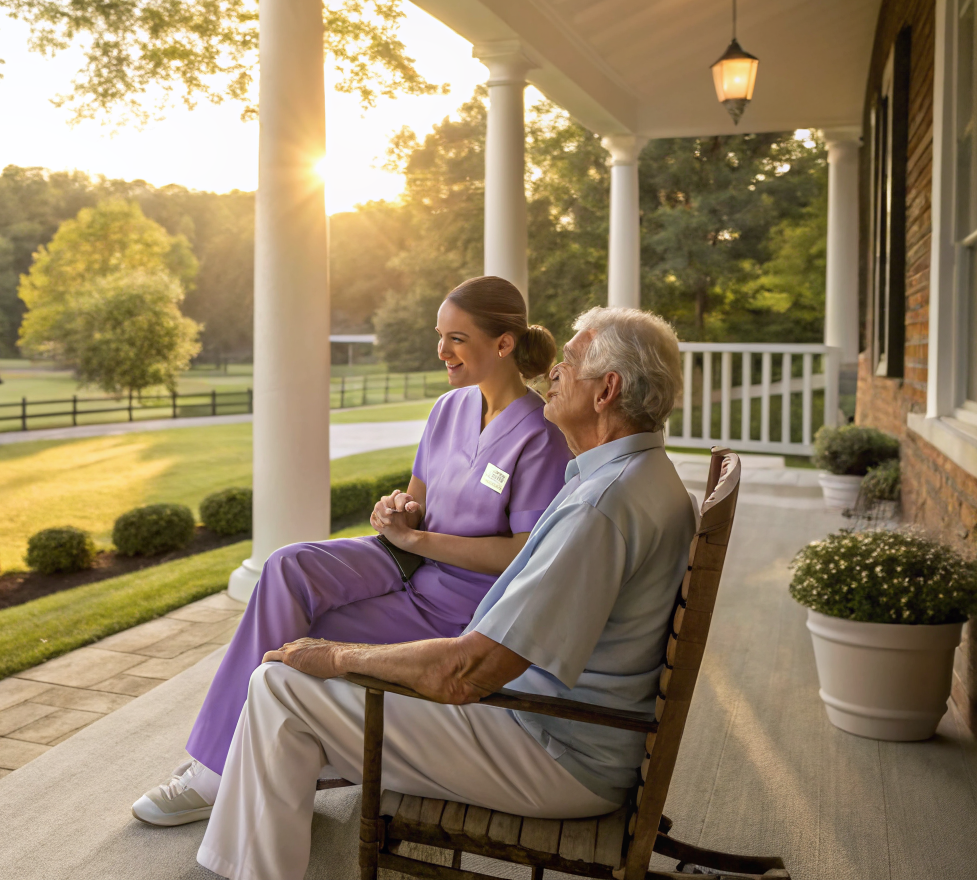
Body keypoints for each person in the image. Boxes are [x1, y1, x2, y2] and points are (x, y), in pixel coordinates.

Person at [194, 306, 696, 880]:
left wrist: (335, 656)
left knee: (281, 687)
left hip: (547, 745)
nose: (553, 371)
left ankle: (246, 853)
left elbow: (468, 670)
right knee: (293, 682)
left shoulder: (600, 507)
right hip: (569, 728)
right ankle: (251, 837)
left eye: (570, 363)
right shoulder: (638, 478)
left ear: (607, 390)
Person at [132, 276, 572, 826]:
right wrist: (398, 513)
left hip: (462, 604)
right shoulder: (448, 410)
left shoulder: (541, 436)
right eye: (439, 336)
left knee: (308, 632)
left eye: (456, 338)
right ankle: (226, 758)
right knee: (286, 568)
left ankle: (220, 767)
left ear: (503, 344)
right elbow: (418, 502)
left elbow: (523, 554)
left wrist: (417, 538)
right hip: (404, 562)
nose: (441, 351)